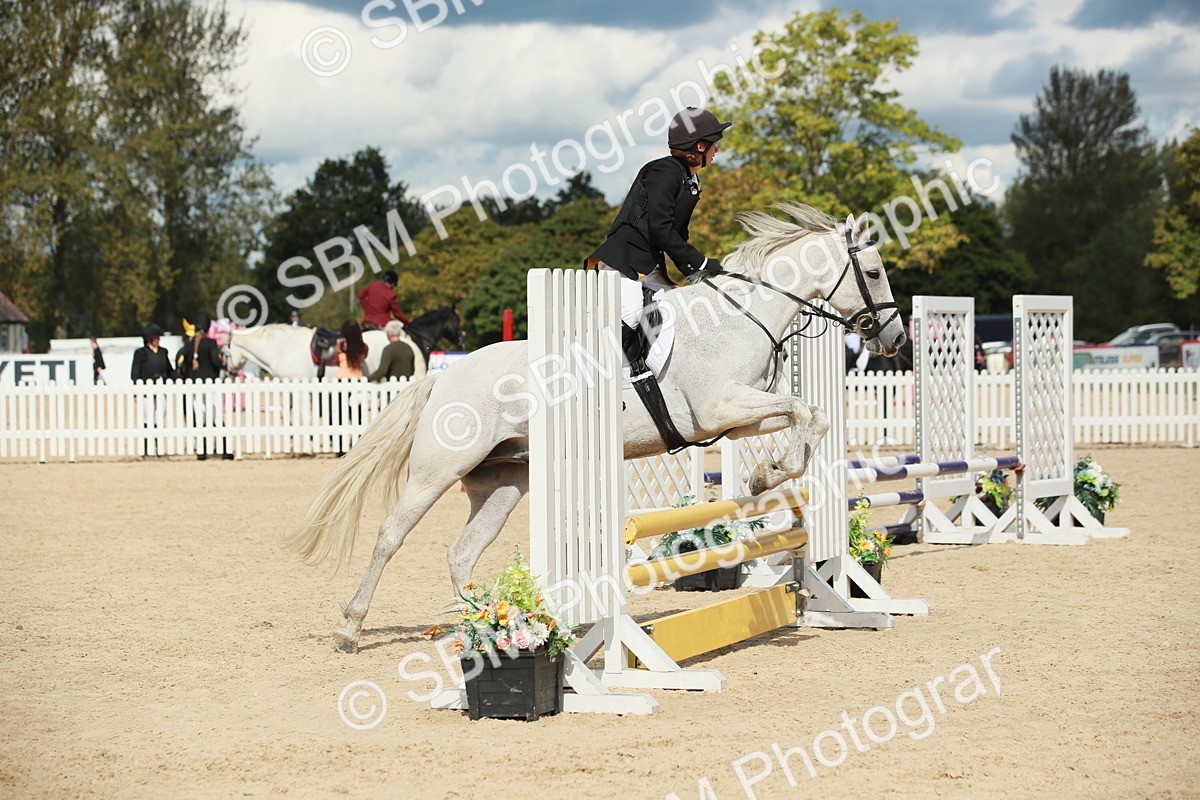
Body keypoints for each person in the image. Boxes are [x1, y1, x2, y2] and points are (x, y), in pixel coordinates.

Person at [586, 106, 731, 290]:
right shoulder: (665, 171)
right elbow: (660, 227)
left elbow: (678, 235)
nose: (716, 150)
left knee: (675, 310)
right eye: (714, 144)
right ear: (700, 146)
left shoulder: (689, 180)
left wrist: (698, 272)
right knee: (633, 315)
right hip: (623, 264)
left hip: (649, 266)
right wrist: (701, 262)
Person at [183, 313, 232, 460]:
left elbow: (185, 365)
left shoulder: (189, 345)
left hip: (195, 385)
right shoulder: (210, 343)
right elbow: (216, 363)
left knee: (201, 418)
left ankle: (202, 451)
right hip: (210, 383)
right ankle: (225, 450)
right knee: (217, 417)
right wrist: (222, 362)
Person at [131, 323, 174, 456]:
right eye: (156, 337)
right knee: (147, 419)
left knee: (159, 418)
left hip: (160, 388)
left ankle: (159, 447)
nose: (158, 339)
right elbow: (135, 372)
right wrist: (137, 388)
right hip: (146, 390)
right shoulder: (141, 353)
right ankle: (146, 449)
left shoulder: (163, 352)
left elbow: (169, 370)